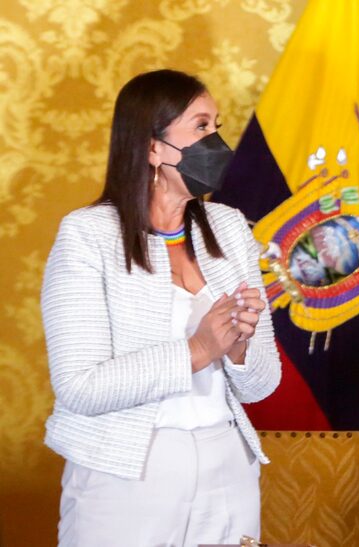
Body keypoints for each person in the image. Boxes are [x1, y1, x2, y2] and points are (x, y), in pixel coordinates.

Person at [41, 69, 282, 546]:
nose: (217, 141)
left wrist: (237, 348)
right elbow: (78, 386)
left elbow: (261, 385)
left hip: (228, 466)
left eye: (216, 126)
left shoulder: (229, 228)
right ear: (152, 148)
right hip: (126, 473)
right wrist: (199, 348)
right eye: (201, 127)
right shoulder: (87, 235)